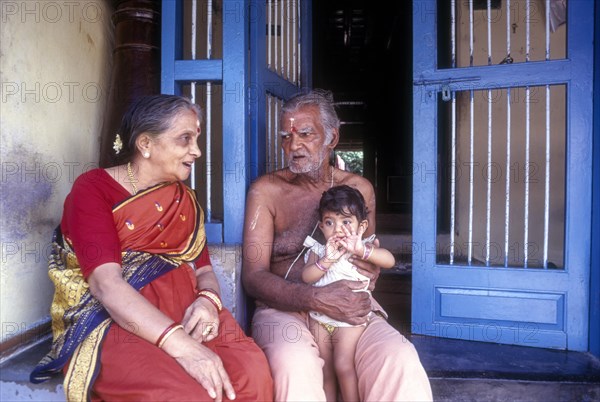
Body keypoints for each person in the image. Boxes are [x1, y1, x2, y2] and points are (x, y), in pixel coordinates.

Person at [31, 94, 273, 402]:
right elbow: (106, 285)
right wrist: (182, 347)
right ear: (145, 144)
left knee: (253, 375)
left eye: (196, 139)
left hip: (190, 314)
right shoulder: (92, 190)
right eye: (185, 139)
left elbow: (205, 270)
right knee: (184, 395)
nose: (196, 151)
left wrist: (209, 303)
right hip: (114, 320)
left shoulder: (185, 200)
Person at [242, 89, 433, 401]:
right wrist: (315, 298)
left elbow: (370, 261)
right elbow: (253, 277)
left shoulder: (359, 189)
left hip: (349, 311)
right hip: (283, 311)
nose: (293, 145)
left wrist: (369, 269)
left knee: (401, 361)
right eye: (285, 137)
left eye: (305, 134)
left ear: (332, 138)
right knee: (295, 367)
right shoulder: (266, 191)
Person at [301, 184, 396, 401]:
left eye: (346, 222)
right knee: (325, 368)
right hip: (319, 317)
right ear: (321, 226)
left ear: (361, 226)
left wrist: (362, 250)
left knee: (344, 365)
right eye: (329, 223)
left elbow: (390, 261)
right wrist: (327, 261)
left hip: (350, 320)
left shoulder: (364, 248)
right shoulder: (319, 250)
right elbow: (306, 277)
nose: (337, 229)